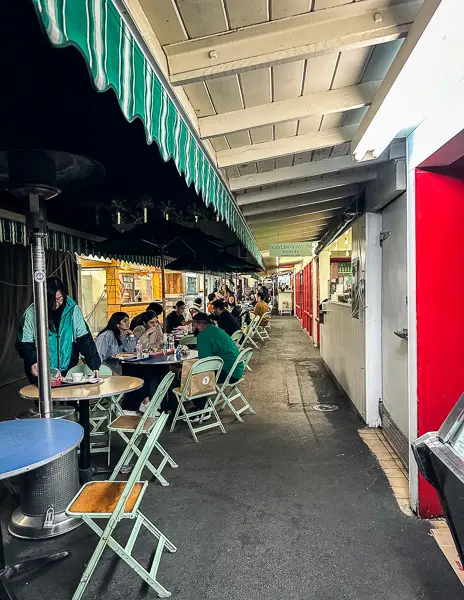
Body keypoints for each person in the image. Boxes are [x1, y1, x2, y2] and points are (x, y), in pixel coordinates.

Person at [16, 276, 101, 382]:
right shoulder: (31, 313)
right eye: (51, 300)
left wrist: (94, 363)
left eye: (59, 299)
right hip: (41, 371)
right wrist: (33, 361)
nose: (55, 304)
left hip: (68, 368)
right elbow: (24, 344)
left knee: (73, 396)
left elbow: (84, 339)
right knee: (44, 398)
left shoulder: (73, 310)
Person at [190, 312, 244, 421]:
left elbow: (204, 363)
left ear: (200, 325)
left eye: (193, 325)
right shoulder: (215, 329)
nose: (192, 328)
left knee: (194, 376)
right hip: (237, 369)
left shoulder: (203, 336)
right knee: (199, 374)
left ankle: (202, 410)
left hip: (228, 372)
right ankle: (202, 407)